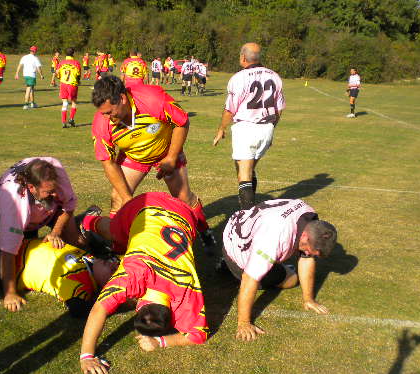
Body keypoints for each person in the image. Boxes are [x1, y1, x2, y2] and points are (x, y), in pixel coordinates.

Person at [79, 192, 209, 374]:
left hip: (184, 214)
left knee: (124, 242)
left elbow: (199, 336)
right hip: (145, 206)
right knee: (115, 234)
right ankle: (89, 221)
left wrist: (160, 341)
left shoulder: (186, 289)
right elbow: (99, 309)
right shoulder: (133, 276)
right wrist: (86, 356)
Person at [90, 75, 216, 252]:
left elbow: (182, 122)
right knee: (118, 198)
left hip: (166, 150)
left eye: (109, 112)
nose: (106, 117)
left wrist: (171, 158)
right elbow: (108, 163)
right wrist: (127, 198)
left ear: (122, 99)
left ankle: (204, 230)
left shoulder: (152, 98)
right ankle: (119, 248)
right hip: (134, 156)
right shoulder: (101, 122)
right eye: (102, 113)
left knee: (184, 197)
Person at [220, 198, 337, 341]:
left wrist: (309, 299)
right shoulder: (273, 238)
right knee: (291, 279)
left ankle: (237, 262)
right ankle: (228, 264)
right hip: (236, 246)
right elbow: (249, 278)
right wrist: (243, 323)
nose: (308, 253)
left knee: (278, 262)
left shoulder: (308, 214)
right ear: (305, 236)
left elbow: (307, 258)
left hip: (242, 223)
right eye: (309, 249)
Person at [0, 157, 83, 312]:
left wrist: (55, 232)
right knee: (24, 255)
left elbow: (68, 207)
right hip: (23, 214)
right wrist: (10, 293)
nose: (55, 194)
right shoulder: (14, 202)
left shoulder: (56, 172)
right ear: (31, 187)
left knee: (75, 241)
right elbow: (7, 251)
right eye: (49, 192)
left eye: (55, 189)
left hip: (47, 208)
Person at [213, 43, 285, 210]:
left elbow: (230, 109)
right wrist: (271, 128)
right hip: (266, 127)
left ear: (243, 57)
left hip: (246, 128)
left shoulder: (239, 78)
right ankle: (250, 207)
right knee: (248, 168)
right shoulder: (274, 76)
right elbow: (279, 109)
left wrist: (221, 129)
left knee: (244, 173)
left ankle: (248, 215)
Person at [56, 47, 81, 128]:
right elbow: (78, 75)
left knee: (65, 102)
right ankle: (71, 119)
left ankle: (64, 122)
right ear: (73, 53)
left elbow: (57, 74)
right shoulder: (76, 63)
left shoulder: (61, 63)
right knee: (74, 102)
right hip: (73, 84)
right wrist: (78, 81)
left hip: (63, 84)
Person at [14, 45, 44, 109]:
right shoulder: (35, 58)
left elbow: (20, 65)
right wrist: (41, 75)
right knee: (28, 88)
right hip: (31, 75)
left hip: (25, 74)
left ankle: (32, 103)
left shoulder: (24, 57)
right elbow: (38, 68)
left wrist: (17, 73)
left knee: (31, 89)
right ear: (35, 51)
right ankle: (26, 104)